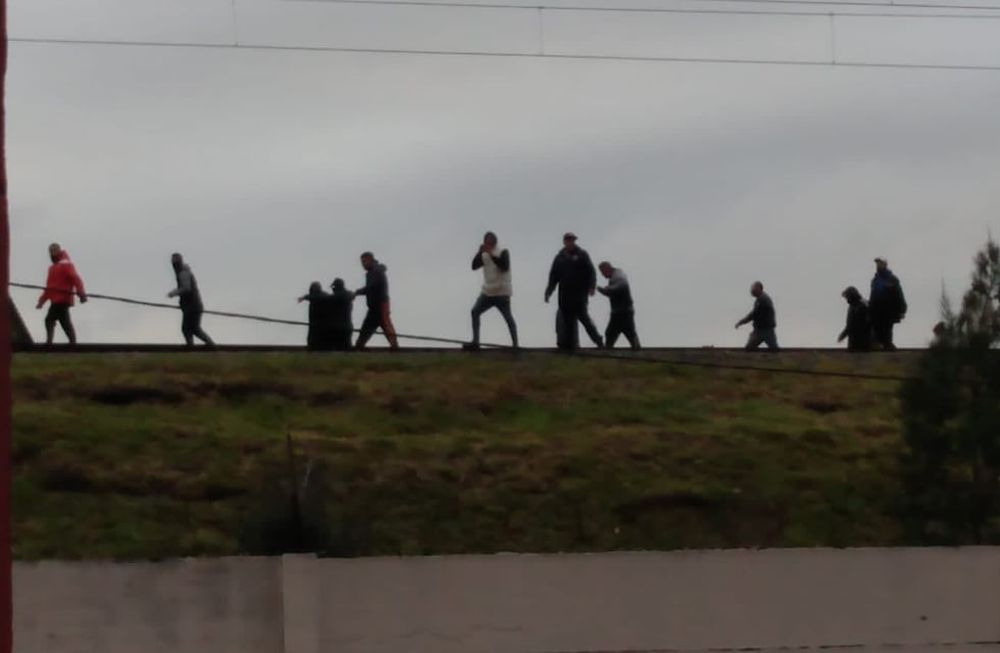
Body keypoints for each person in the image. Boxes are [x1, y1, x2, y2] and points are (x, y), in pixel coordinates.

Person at [545, 233, 603, 351]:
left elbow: (591, 272)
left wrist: (591, 286)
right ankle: (571, 347)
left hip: (579, 295)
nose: (571, 243)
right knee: (568, 323)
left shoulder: (582, 255)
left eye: (573, 240)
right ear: (565, 242)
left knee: (585, 320)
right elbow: (553, 277)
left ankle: (599, 341)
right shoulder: (559, 258)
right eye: (569, 240)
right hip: (564, 296)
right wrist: (548, 292)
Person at [464, 231, 518, 351]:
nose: (487, 244)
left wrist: (491, 254)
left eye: (489, 242)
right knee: (475, 311)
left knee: (508, 317)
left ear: (494, 242)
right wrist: (479, 252)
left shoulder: (503, 252)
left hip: (502, 292)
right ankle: (475, 342)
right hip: (488, 292)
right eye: (486, 242)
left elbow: (504, 266)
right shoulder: (484, 255)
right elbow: (474, 266)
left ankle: (515, 344)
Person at [35, 243, 87, 345]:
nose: (52, 254)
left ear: (59, 251)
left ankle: (50, 343)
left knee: (50, 320)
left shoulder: (66, 264)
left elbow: (76, 279)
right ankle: (72, 343)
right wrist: (41, 301)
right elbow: (49, 288)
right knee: (64, 321)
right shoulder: (53, 268)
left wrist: (81, 293)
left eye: (54, 251)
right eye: (50, 251)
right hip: (57, 299)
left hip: (62, 298)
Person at [354, 252, 399, 351]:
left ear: (370, 259)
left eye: (364, 261)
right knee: (367, 328)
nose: (363, 264)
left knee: (385, 325)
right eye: (362, 262)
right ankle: (358, 348)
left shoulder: (376, 271)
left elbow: (372, 287)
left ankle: (396, 348)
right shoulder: (373, 272)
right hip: (373, 306)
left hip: (380, 304)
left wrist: (357, 292)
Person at [167, 253, 215, 347]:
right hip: (192, 305)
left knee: (191, 329)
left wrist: (174, 293)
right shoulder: (183, 272)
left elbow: (186, 288)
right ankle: (196, 346)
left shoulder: (183, 273)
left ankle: (207, 346)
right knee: (192, 329)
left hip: (192, 306)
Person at [597, 261, 640, 350]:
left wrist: (605, 289)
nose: (602, 275)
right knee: (616, 333)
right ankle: (636, 350)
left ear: (606, 269)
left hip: (622, 311)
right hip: (621, 311)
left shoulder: (617, 275)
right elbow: (611, 292)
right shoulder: (615, 277)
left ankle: (608, 352)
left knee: (624, 332)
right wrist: (602, 290)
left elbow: (621, 285)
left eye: (602, 272)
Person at [869, 258, 907, 351]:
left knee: (886, 335)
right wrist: (870, 309)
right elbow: (873, 295)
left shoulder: (892, 279)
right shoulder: (875, 280)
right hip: (876, 312)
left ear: (885, 265)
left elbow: (899, 294)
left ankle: (890, 352)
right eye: (877, 264)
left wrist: (902, 309)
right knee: (876, 336)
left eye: (880, 263)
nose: (878, 265)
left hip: (888, 312)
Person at [735, 281, 778, 351]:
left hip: (765, 330)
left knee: (774, 350)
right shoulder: (760, 299)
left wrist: (741, 322)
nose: (751, 290)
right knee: (750, 348)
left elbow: (753, 315)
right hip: (761, 330)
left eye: (753, 288)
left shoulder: (763, 299)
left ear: (759, 288)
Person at [298, 282, 335, 351]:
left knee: (313, 338)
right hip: (323, 322)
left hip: (316, 321)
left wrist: (304, 297)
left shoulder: (317, 296)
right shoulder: (325, 295)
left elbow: (313, 296)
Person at [838, 286, 871, 351]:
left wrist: (843, 334)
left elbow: (852, 325)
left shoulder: (862, 305)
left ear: (851, 296)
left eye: (847, 297)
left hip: (863, 340)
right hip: (854, 340)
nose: (847, 300)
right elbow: (850, 324)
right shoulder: (853, 306)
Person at [328, 278, 355, 351]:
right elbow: (351, 294)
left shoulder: (332, 298)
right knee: (347, 349)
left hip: (336, 328)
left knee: (336, 350)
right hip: (348, 326)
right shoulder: (349, 295)